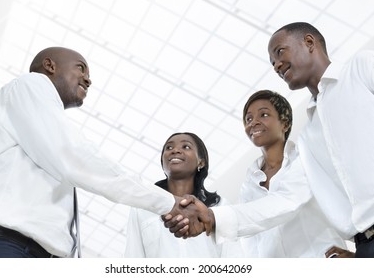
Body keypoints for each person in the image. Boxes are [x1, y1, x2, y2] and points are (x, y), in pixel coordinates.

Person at [0, 47, 205, 258]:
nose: (88, 79)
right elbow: (75, 157)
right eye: (80, 67)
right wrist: (168, 202)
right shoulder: (30, 84)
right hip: (5, 243)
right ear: (49, 65)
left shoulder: (37, 128)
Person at [164, 90, 347, 257]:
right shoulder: (249, 183)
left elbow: (287, 201)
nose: (254, 122)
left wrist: (214, 217)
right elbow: (251, 243)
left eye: (264, 114)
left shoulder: (305, 158)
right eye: (248, 119)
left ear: (285, 123)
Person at [267, 22, 374, 258]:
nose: (276, 65)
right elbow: (286, 200)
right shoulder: (307, 137)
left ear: (308, 42)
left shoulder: (361, 68)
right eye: (272, 63)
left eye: (279, 52)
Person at [125, 132, 243, 257]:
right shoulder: (143, 207)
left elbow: (233, 257)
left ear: (201, 162)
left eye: (186, 147)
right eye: (169, 148)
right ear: (162, 162)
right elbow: (133, 256)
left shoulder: (220, 207)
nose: (175, 150)